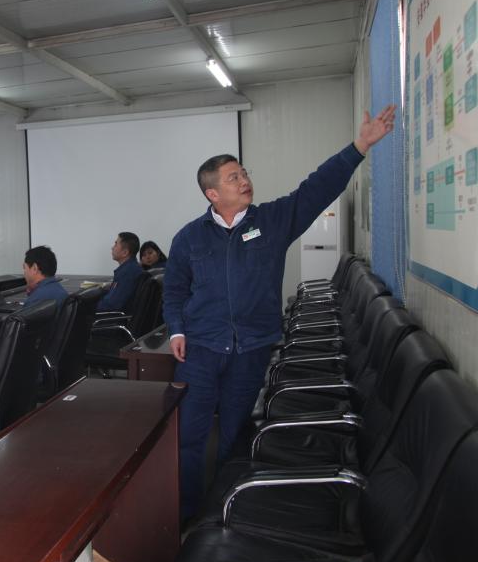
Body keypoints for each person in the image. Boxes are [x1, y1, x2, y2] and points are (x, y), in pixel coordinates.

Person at [164, 104, 396, 520]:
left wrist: (359, 147)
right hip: (200, 348)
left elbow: (315, 189)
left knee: (235, 434)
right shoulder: (189, 238)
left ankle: (223, 513)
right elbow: (175, 290)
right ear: (213, 194)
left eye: (244, 173)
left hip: (252, 348)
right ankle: (184, 513)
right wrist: (177, 330)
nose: (245, 180)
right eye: (234, 177)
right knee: (189, 434)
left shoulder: (271, 221)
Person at [97, 232, 142, 312]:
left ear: (125, 252)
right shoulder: (131, 268)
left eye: (116, 244)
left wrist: (90, 305)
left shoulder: (127, 273)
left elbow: (111, 304)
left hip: (110, 316)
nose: (112, 248)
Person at [22, 246, 67, 310]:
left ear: (34, 268)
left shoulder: (35, 300)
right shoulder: (59, 289)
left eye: (24, 267)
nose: (24, 272)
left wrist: (32, 297)